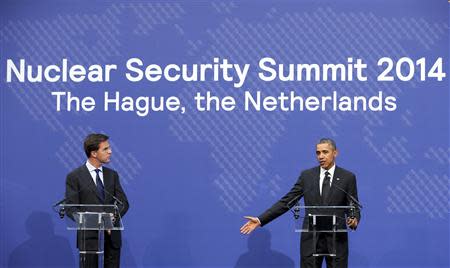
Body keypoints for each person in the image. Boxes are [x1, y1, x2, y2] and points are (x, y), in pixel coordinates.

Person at [240, 138, 360, 268]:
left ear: (335, 153)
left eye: (325, 152)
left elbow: (353, 206)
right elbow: (287, 201)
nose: (321, 156)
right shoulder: (307, 176)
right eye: (318, 153)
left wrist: (354, 219)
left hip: (337, 240)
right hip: (312, 240)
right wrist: (260, 219)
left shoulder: (347, 177)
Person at [65, 133, 129, 268]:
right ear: (94, 153)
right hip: (89, 239)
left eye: (109, 148)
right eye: (105, 149)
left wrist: (111, 219)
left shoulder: (112, 175)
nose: (110, 152)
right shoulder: (75, 177)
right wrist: (97, 222)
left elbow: (123, 203)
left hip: (111, 239)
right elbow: (71, 208)